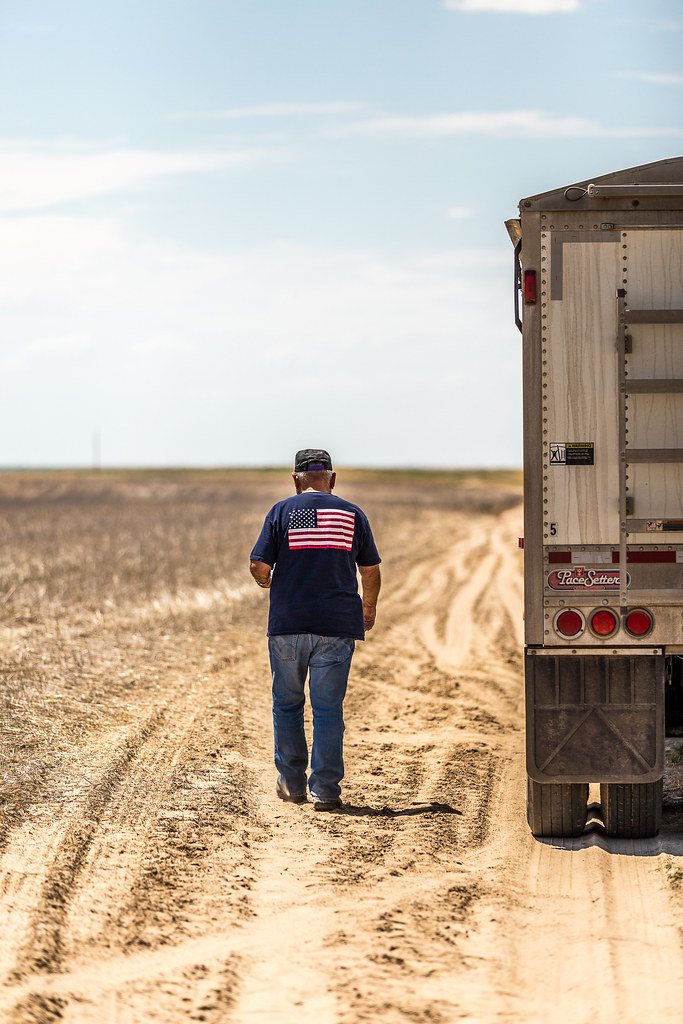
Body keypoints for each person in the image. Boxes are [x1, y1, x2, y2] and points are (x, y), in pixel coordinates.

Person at [249, 449, 381, 811]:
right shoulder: (352, 514)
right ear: (332, 479)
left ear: (296, 480)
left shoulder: (281, 511)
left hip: (288, 626)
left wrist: (267, 582)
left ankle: (292, 783)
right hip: (336, 627)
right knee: (328, 710)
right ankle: (325, 791)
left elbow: (259, 565)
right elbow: (369, 570)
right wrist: (367, 608)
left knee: (287, 705)